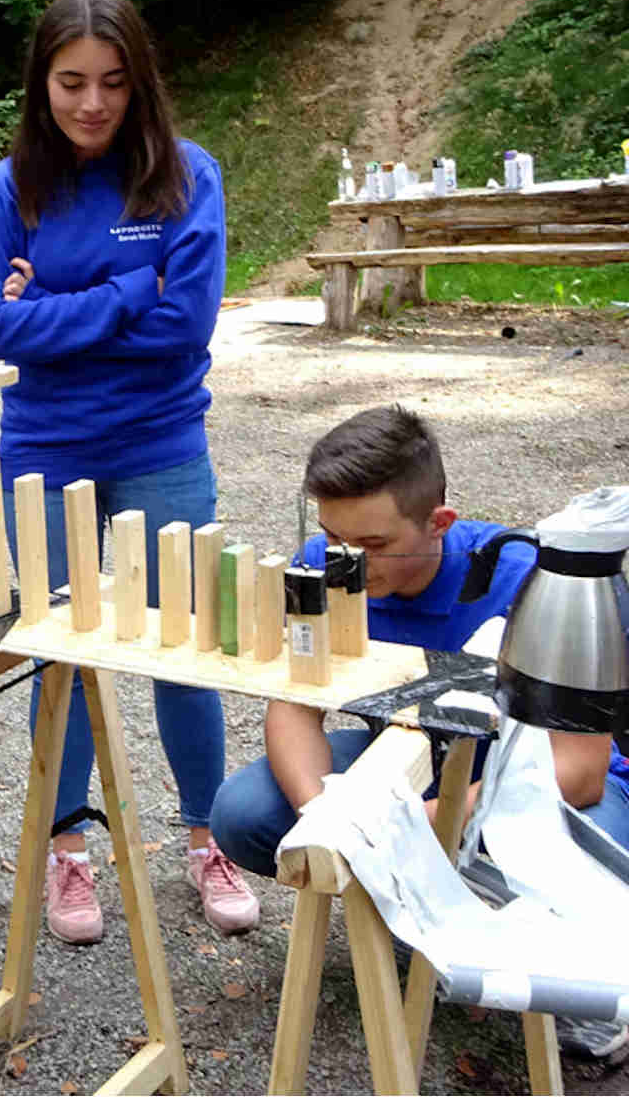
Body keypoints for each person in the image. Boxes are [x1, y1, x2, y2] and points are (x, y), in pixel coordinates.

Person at [210, 403, 629, 1063]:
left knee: (584, 853)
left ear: (440, 524)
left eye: (373, 547)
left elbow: (577, 773)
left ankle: (581, 979)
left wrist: (409, 831)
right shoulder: (324, 559)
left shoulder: (534, 583)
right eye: (333, 539)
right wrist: (328, 819)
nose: (346, 564)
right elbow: (292, 708)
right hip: (415, 764)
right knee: (245, 814)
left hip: (539, 784)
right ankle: (422, 911)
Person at [0, 0, 254, 944]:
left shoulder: (188, 177)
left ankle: (207, 835)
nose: (92, 104)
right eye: (70, 83)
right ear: (39, 85)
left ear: (142, 84)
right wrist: (134, 284)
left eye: (113, 83)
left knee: (186, 645)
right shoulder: (7, 191)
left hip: (164, 437)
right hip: (45, 447)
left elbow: (189, 328)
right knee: (64, 655)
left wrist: (59, 306)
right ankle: (68, 851)